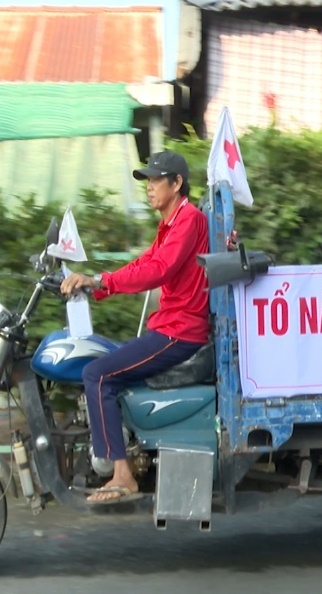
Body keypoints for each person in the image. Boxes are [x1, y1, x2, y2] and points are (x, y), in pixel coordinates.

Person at [60, 150, 210, 505]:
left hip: (179, 331)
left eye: (157, 180)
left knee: (97, 374)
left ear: (177, 183)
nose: (150, 187)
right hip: (169, 326)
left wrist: (98, 280)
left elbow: (158, 269)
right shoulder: (171, 224)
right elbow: (147, 261)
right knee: (104, 356)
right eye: (148, 180)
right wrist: (98, 283)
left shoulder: (189, 220)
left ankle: (122, 475)